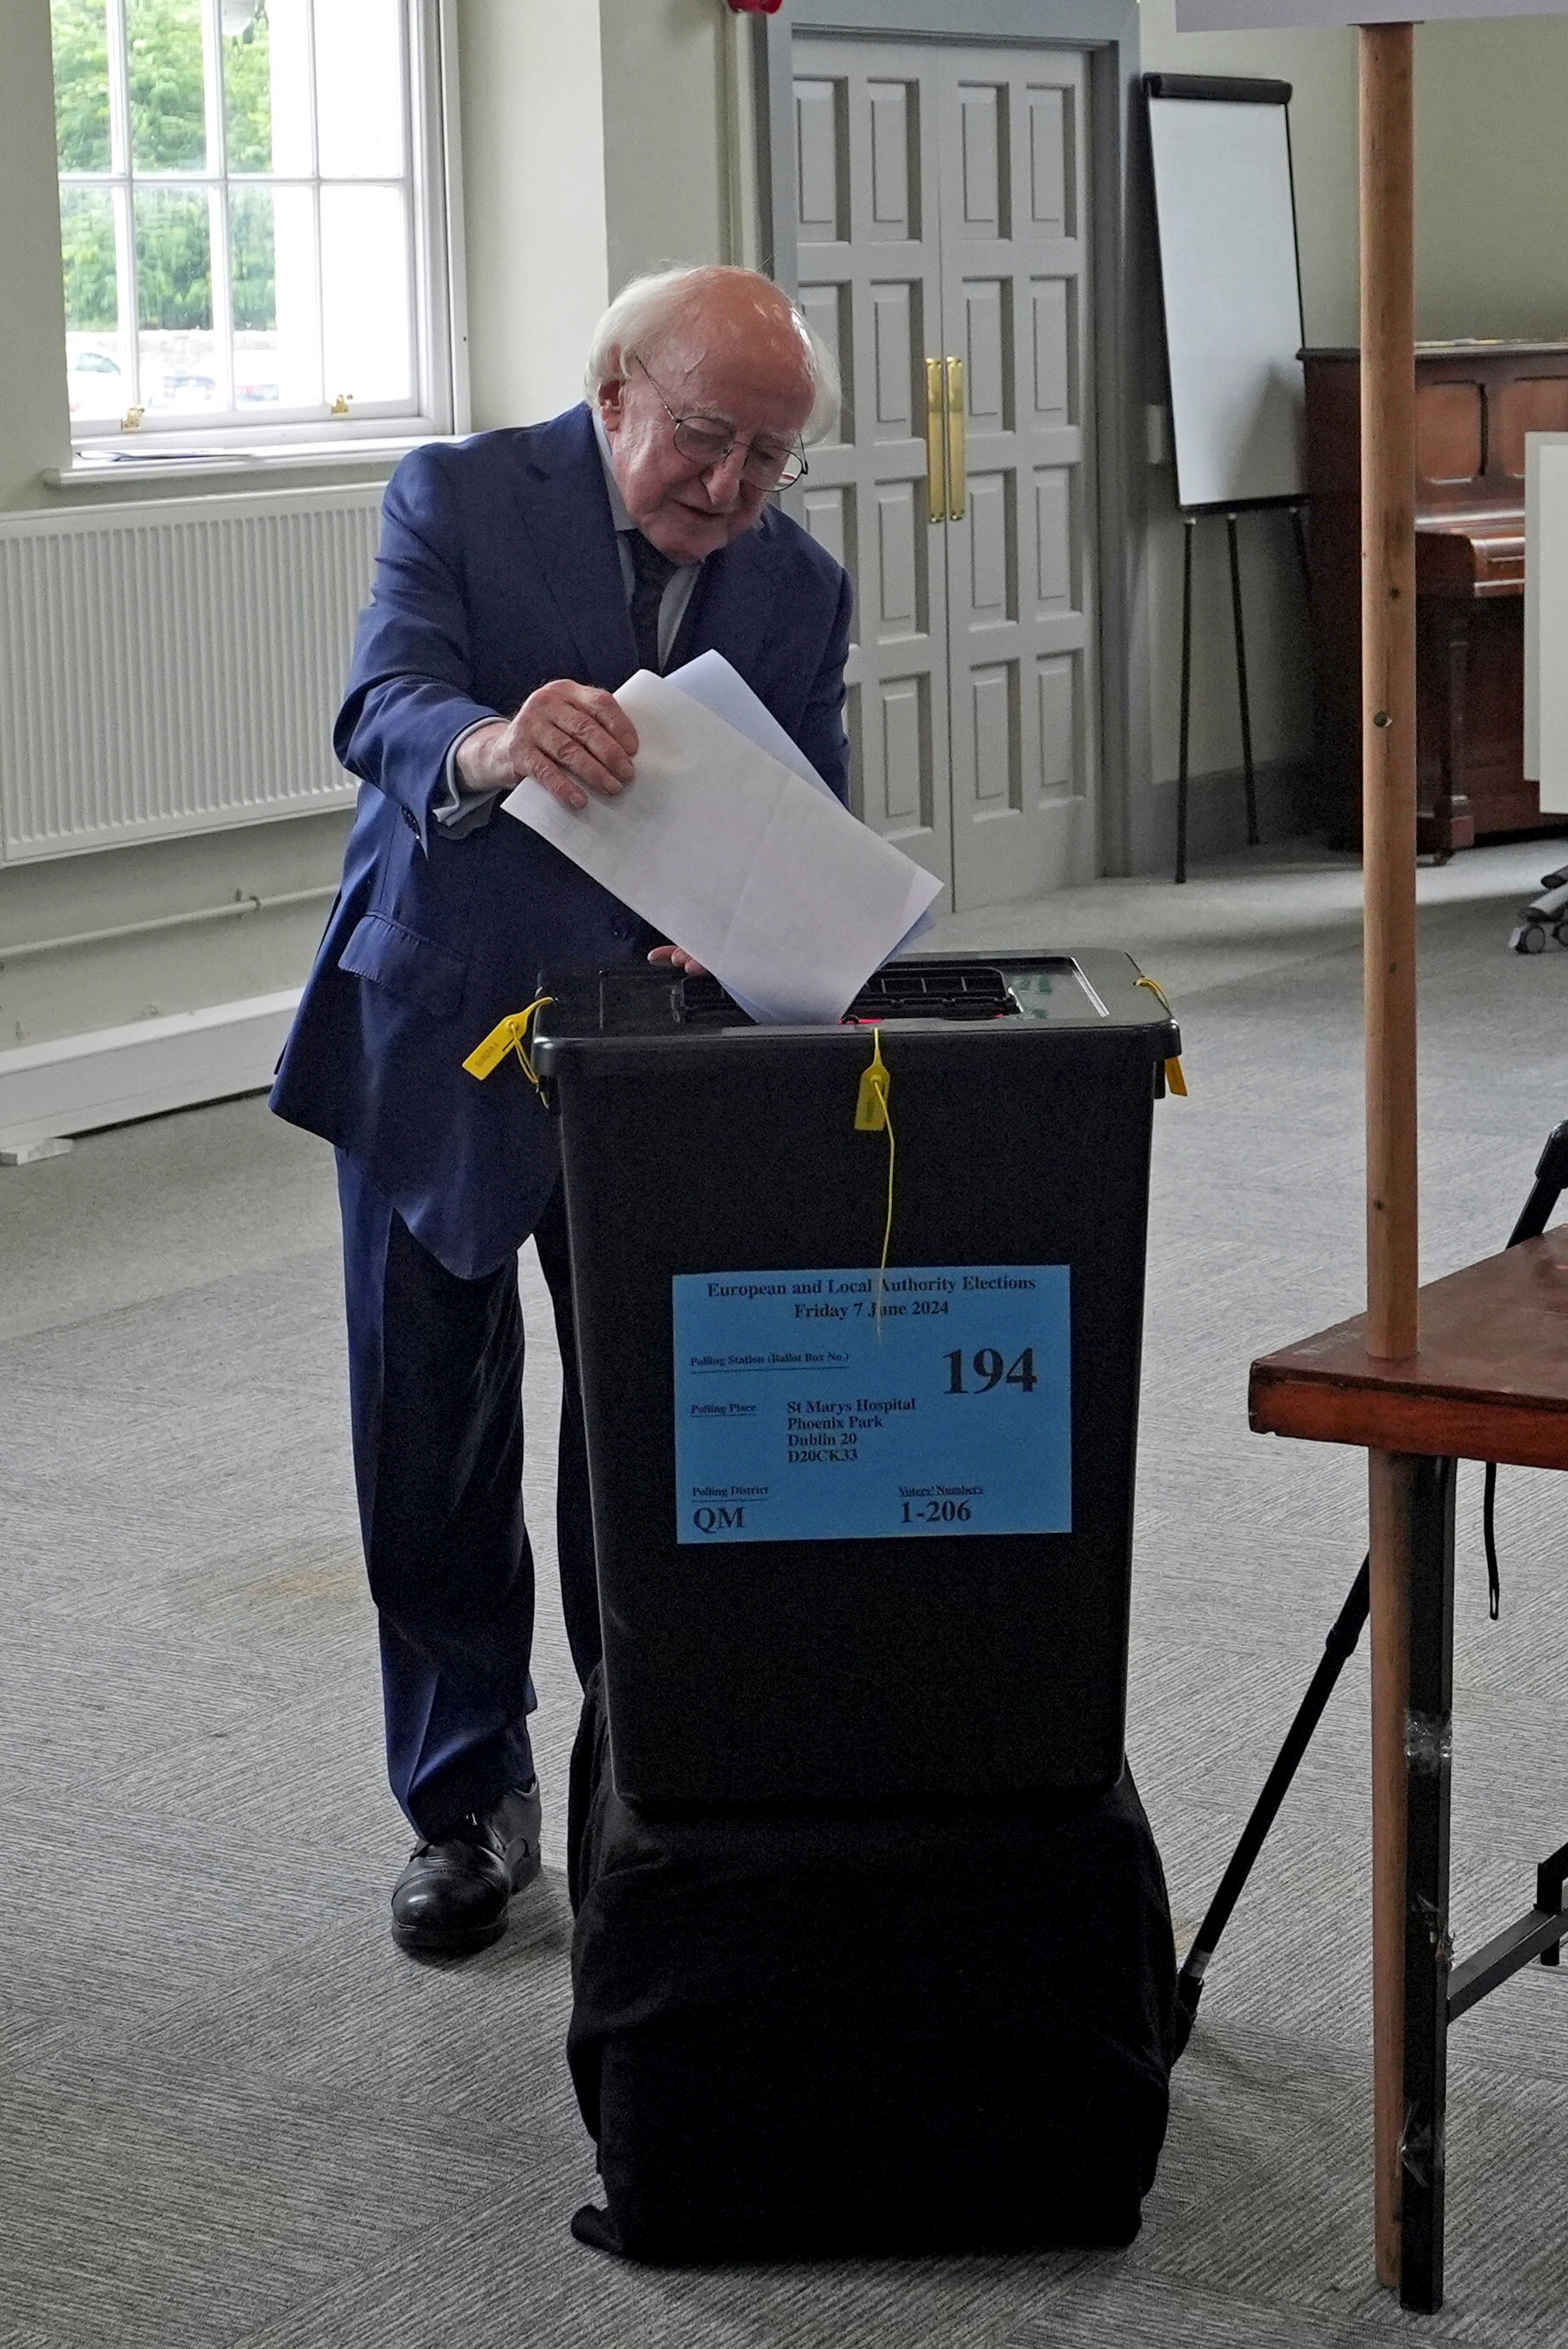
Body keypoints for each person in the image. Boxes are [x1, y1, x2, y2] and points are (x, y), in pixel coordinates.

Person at [270, 265, 853, 1955]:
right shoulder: (454, 495)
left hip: (655, 1061)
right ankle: (467, 1799)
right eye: (705, 439)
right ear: (612, 393)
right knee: (430, 1436)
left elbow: (806, 810)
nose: (732, 489)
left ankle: (635, 1770)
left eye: (770, 458)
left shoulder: (798, 587)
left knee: (648, 1437)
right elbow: (382, 708)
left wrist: (754, 917)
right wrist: (494, 749)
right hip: (441, 1027)